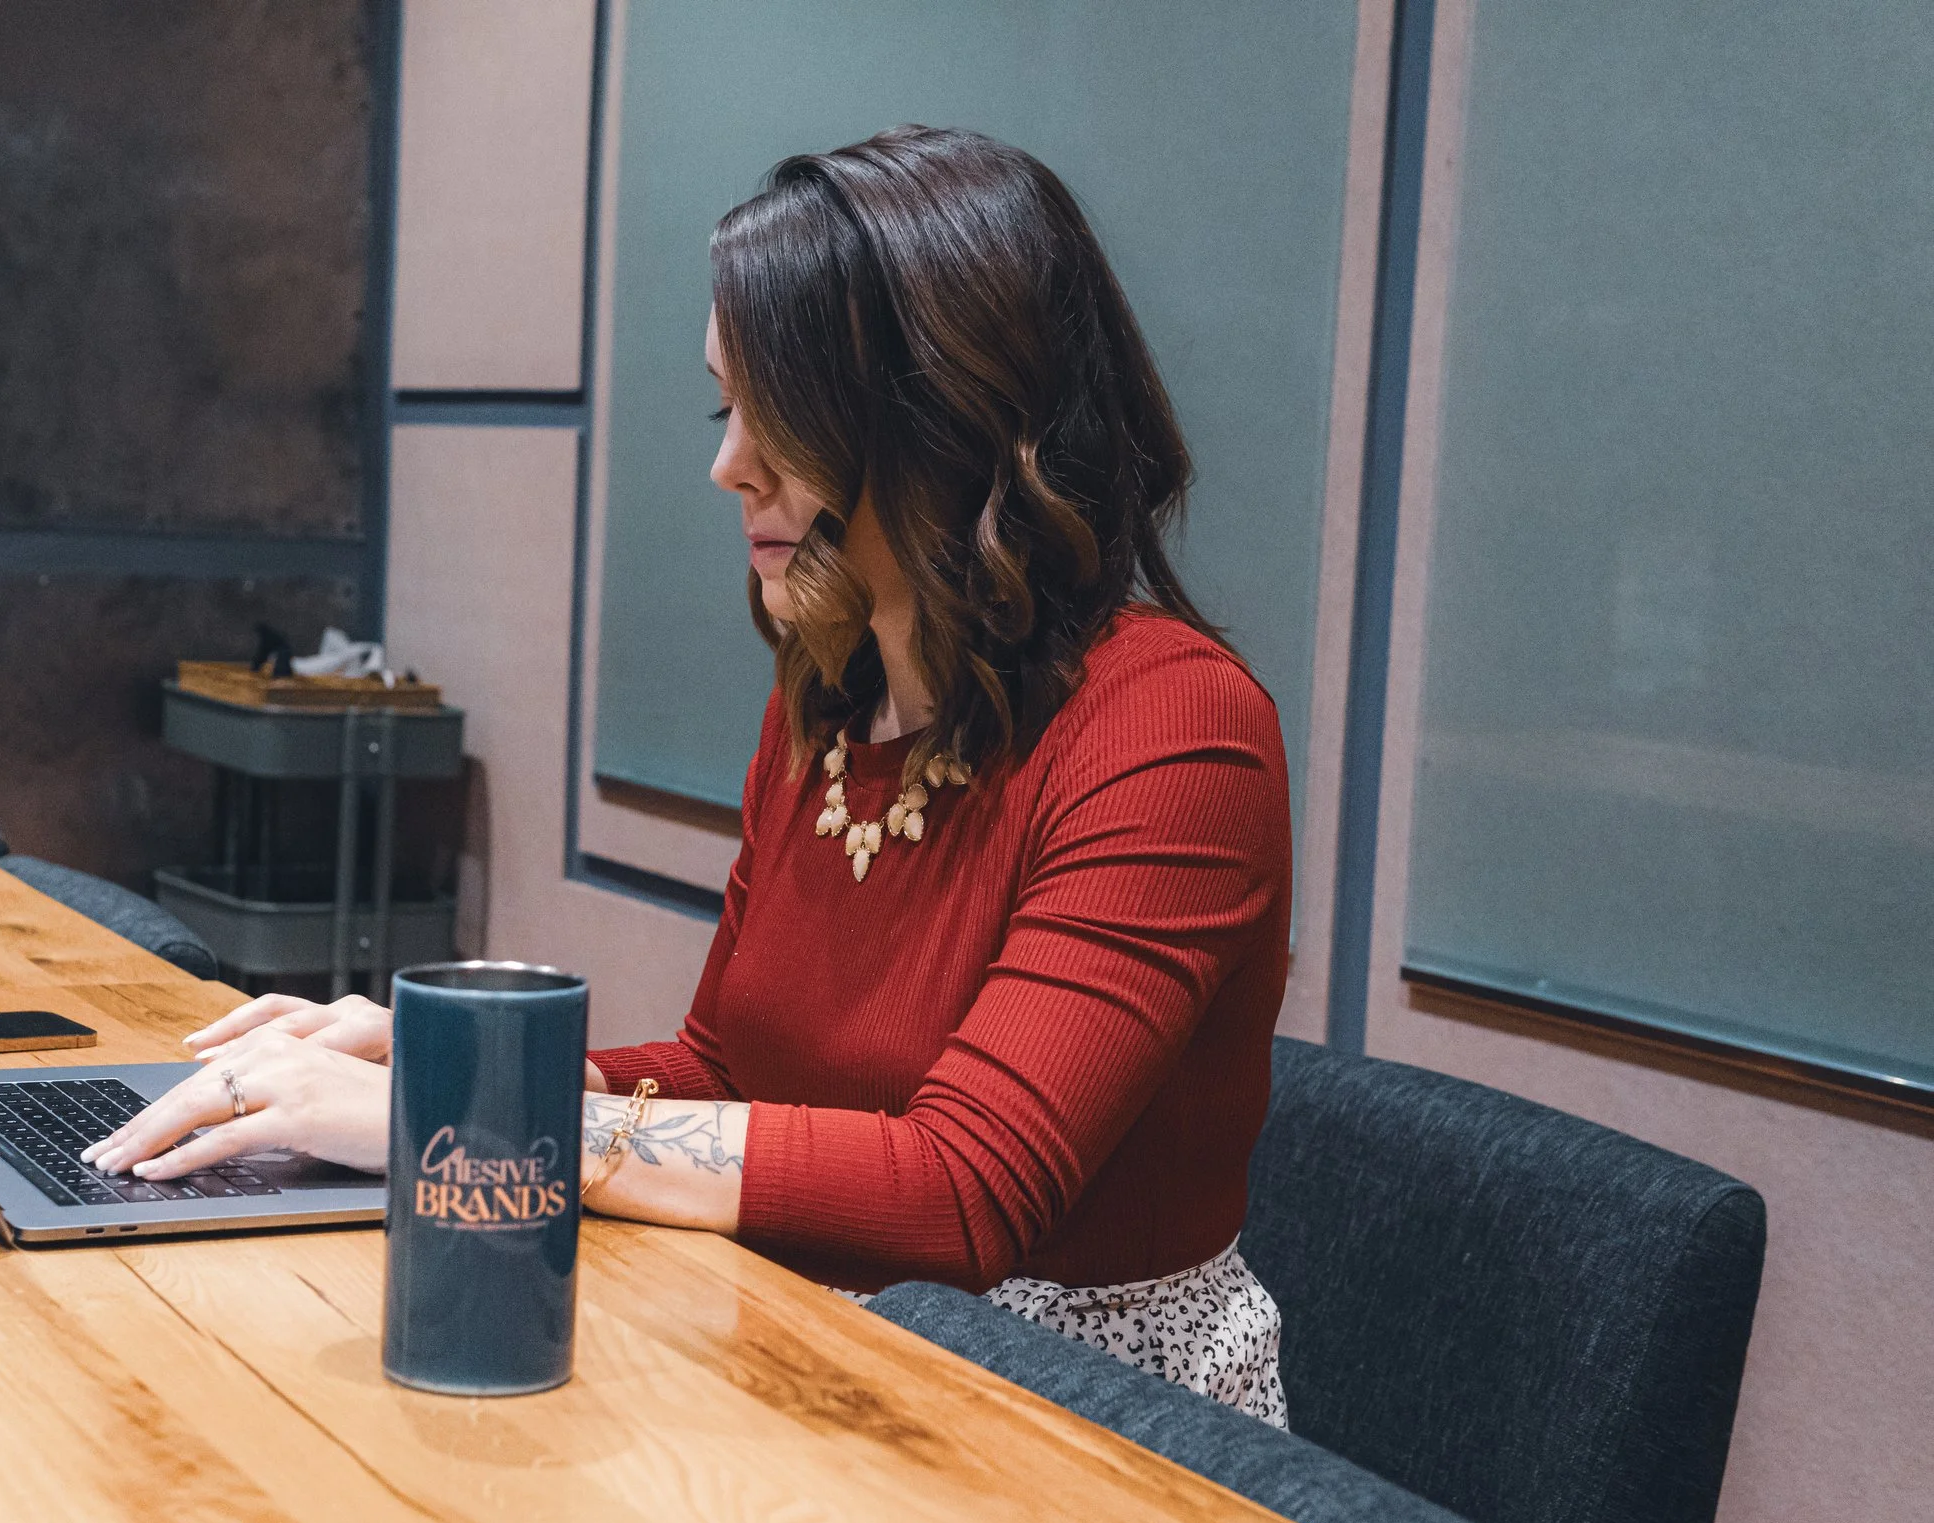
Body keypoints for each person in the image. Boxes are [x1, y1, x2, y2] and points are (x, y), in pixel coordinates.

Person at [85, 127, 1294, 1424]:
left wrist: (495, 1132)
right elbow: (727, 1064)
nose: (730, 464)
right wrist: (466, 1074)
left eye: (781, 415)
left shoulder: (1176, 728)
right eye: (729, 408)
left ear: (948, 415)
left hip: (1088, 1414)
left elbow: (962, 1190)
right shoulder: (830, 693)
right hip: (816, 1331)